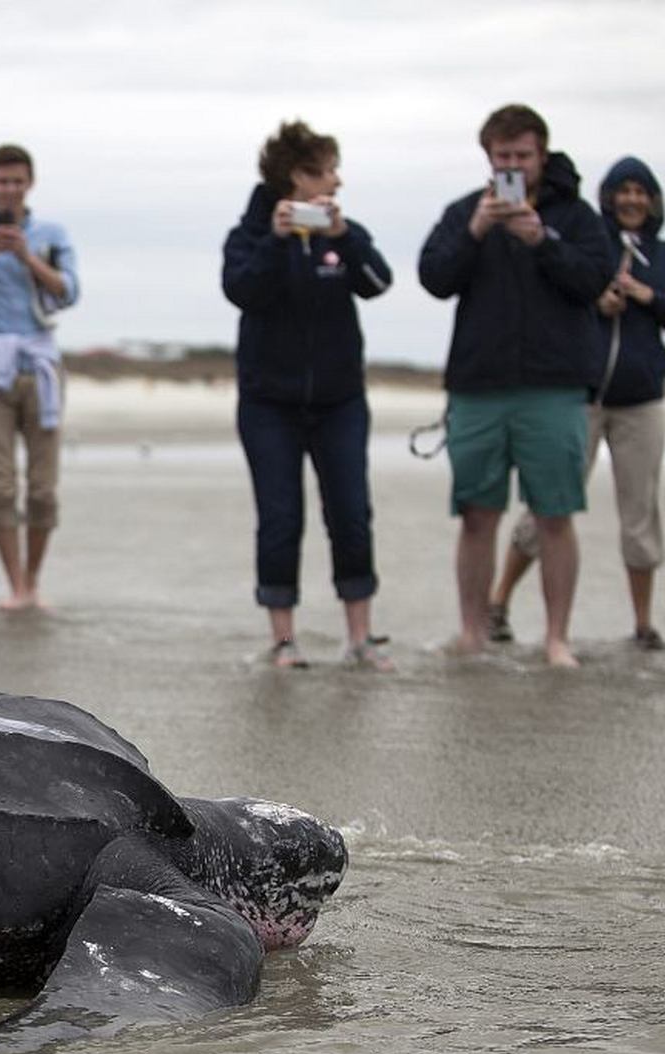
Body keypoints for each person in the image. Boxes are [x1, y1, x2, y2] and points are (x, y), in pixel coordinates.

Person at [418, 105, 609, 667]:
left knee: (554, 514)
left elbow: (594, 280)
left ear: (542, 155)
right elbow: (434, 276)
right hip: (479, 386)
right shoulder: (464, 212)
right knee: (477, 514)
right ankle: (472, 632)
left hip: (555, 387)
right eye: (503, 157)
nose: (513, 166)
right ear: (488, 158)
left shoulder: (575, 217)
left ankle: (556, 638)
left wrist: (542, 239)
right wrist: (477, 231)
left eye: (523, 156)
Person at [488, 156, 665, 651]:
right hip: (579, 396)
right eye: (622, 191)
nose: (631, 200)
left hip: (642, 403)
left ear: (653, 200)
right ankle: (498, 601)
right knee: (548, 505)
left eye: (640, 192)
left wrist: (650, 296)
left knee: (640, 513)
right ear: (607, 198)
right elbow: (564, 288)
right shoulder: (590, 240)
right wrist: (596, 302)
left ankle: (643, 623)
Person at [222, 121, 395, 670]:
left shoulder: (343, 236)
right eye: (326, 170)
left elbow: (379, 281)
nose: (336, 181)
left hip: (340, 400)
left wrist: (345, 237)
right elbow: (241, 290)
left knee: (350, 513)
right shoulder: (249, 236)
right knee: (280, 516)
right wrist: (275, 241)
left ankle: (361, 639)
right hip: (267, 402)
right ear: (296, 176)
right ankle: (283, 640)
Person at [0, 143, 79, 610]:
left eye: (17, 181)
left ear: (30, 183)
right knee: (2, 485)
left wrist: (28, 257)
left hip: (40, 364)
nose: (10, 189)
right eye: (2, 181)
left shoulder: (52, 234)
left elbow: (68, 292)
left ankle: (34, 578)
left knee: (43, 487)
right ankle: (15, 585)